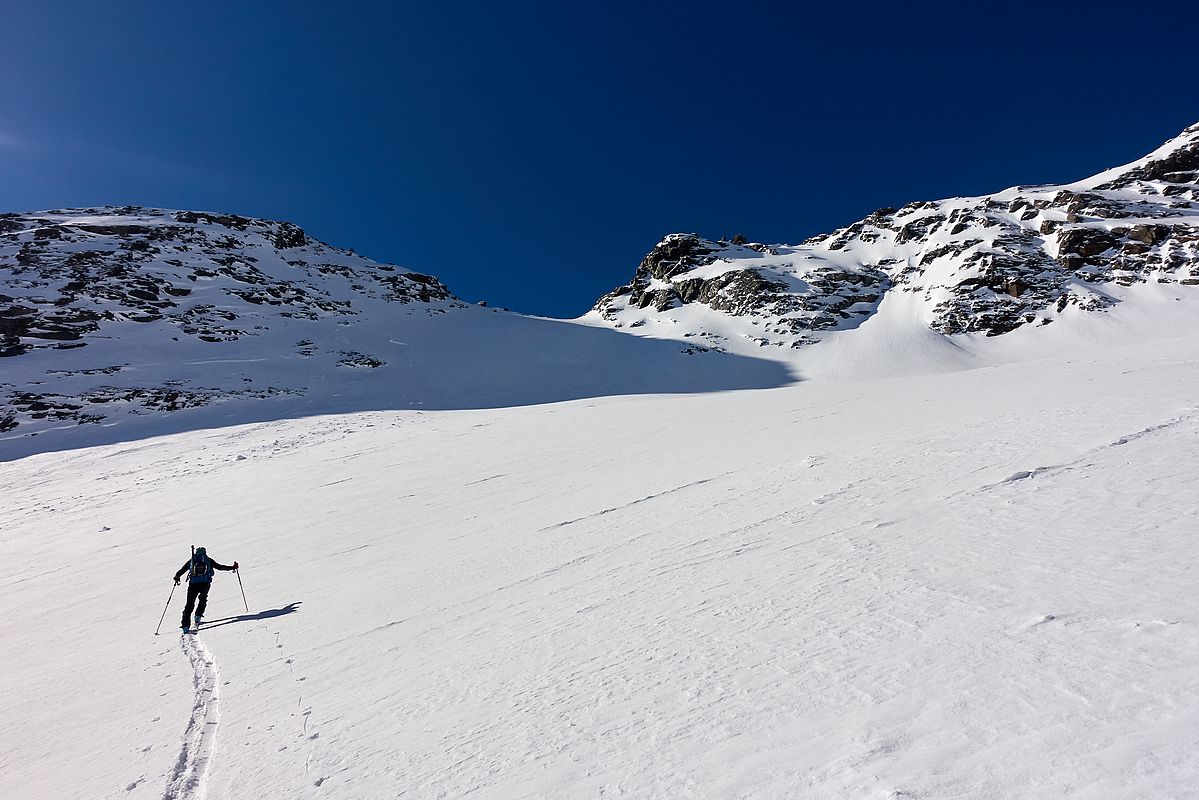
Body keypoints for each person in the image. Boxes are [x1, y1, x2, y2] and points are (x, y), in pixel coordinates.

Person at [173, 547, 238, 631]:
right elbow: (220, 567)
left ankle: (185, 626)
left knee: (189, 604)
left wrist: (177, 576)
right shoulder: (209, 560)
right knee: (203, 599)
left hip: (193, 585)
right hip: (205, 584)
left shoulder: (192, 560)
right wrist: (233, 567)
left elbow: (182, 570)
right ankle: (198, 616)